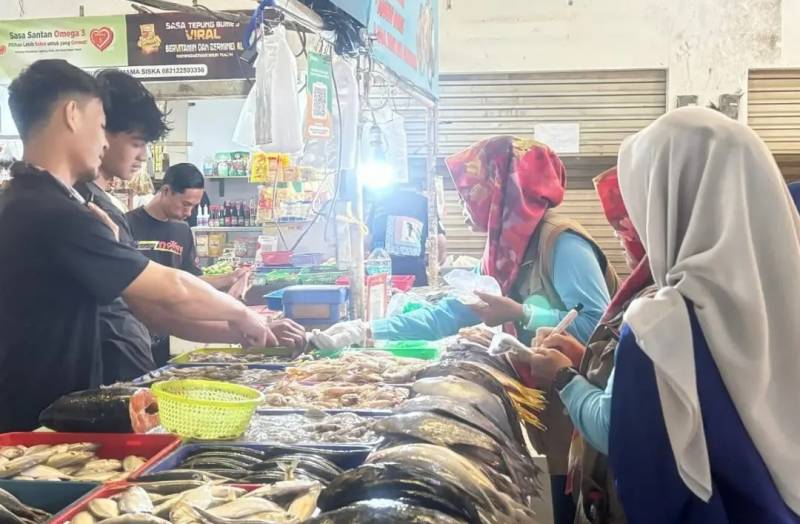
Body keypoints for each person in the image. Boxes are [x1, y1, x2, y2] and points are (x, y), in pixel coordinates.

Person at [315, 136, 619, 524]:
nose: (463, 208)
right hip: (546, 401)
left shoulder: (561, 243)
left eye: (469, 194)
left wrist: (521, 313)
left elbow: (598, 326)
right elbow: (450, 313)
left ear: (503, 190)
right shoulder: (504, 250)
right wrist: (367, 331)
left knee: (570, 504)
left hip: (582, 409)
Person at [0, 60, 274, 431]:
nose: (102, 142)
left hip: (37, 410)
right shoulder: (56, 212)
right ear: (72, 115)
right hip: (40, 419)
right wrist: (243, 315)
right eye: (100, 125)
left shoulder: (24, 199)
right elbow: (170, 289)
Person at [519, 167, 655, 524]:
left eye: (624, 222)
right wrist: (582, 360)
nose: (617, 235)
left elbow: (615, 426)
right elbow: (637, 384)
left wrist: (564, 377)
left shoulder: (660, 309)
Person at [74, 68, 169, 383]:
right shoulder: (83, 207)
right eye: (136, 143)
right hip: (110, 371)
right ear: (101, 130)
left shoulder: (102, 203)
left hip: (127, 364)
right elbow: (147, 299)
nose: (143, 156)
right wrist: (238, 320)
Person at [365, 179, 446, 286]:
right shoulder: (424, 203)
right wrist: (436, 264)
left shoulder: (379, 201)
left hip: (381, 274)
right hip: (414, 275)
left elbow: (367, 240)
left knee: (381, 294)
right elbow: (440, 241)